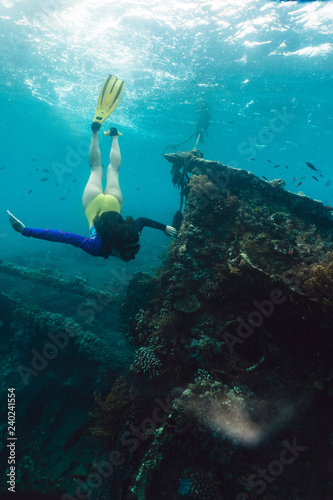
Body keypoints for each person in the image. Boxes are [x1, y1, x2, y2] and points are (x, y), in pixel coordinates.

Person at [7, 75, 177, 262]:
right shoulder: (96, 248)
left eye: (130, 254)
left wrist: (164, 228)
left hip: (113, 202)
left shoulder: (132, 235)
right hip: (93, 204)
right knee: (95, 168)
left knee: (112, 169)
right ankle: (95, 131)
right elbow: (64, 237)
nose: (132, 256)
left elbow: (143, 220)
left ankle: (113, 136)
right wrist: (25, 231)